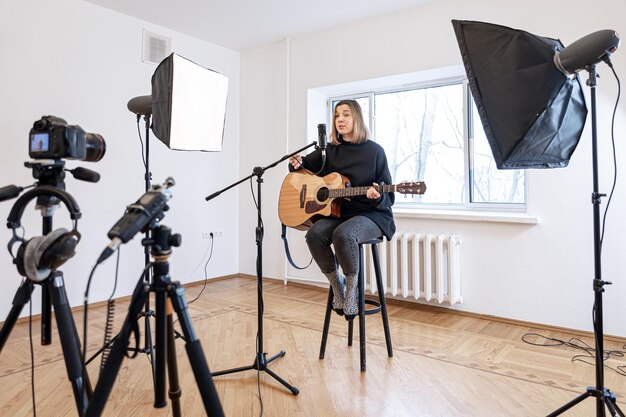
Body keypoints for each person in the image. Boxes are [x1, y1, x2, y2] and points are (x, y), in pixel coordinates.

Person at [289, 99, 396, 320]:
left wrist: (377, 195)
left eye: (346, 114)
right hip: (339, 214)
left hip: (371, 215)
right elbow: (301, 171)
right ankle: (338, 286)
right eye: (337, 115)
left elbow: (389, 196)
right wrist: (295, 164)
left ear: (356, 118)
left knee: (344, 234)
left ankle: (352, 291)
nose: (340, 119)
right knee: (314, 234)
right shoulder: (329, 151)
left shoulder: (375, 151)